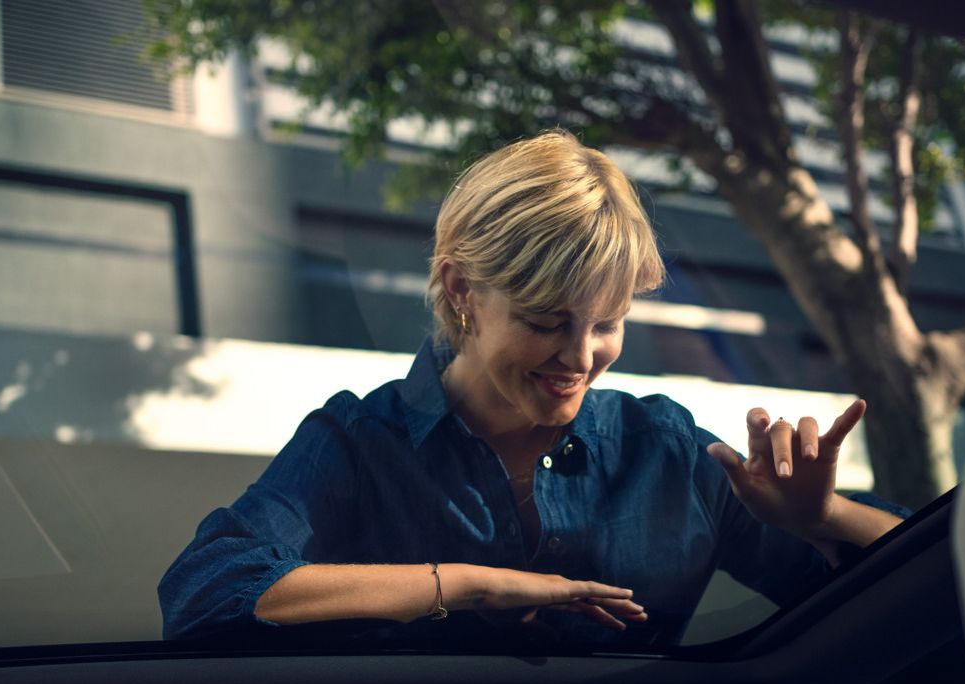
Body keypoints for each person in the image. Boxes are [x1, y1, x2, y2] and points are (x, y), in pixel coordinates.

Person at [159, 130, 904, 647]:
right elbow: (206, 592)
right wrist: (465, 585)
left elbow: (916, 590)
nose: (581, 357)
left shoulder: (666, 450)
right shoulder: (358, 443)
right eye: (547, 321)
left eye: (608, 323)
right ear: (461, 290)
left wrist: (824, 517)